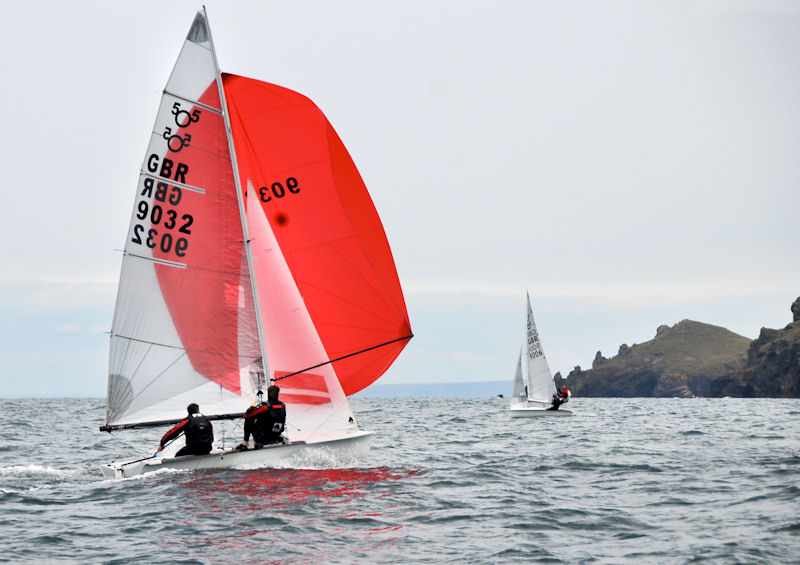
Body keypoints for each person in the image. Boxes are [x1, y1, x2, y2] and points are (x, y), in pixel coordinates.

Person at [236, 385, 286, 451]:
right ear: (278, 394)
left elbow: (247, 414)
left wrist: (255, 405)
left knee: (250, 418)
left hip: (263, 438)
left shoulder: (264, 406)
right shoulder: (283, 405)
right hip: (276, 436)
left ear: (268, 394)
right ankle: (276, 440)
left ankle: (245, 442)